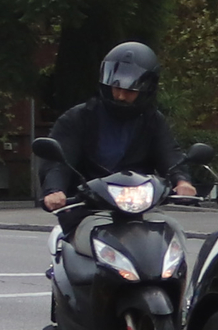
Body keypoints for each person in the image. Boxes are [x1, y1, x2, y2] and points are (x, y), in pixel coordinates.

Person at [37, 43, 199, 212]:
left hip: (136, 208)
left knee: (168, 232)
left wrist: (182, 182)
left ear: (146, 90)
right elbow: (59, 160)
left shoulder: (153, 121)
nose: (121, 96)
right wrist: (55, 190)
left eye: (130, 91)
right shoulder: (78, 117)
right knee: (70, 236)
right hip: (85, 207)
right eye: (117, 88)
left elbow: (169, 153)